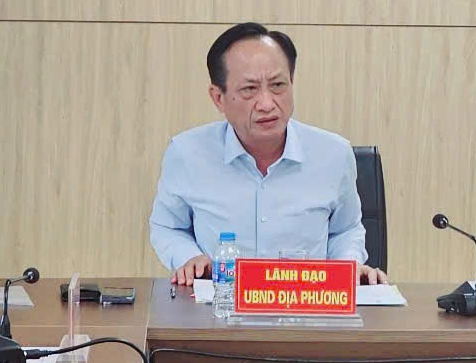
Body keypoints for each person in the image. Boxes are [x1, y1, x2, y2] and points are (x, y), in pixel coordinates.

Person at [150, 22, 387, 286]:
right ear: (218, 98)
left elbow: (346, 230)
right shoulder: (187, 153)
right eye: (249, 89)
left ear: (292, 83)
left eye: (277, 85)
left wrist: (348, 265)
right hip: (219, 303)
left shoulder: (334, 154)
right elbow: (168, 226)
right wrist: (190, 258)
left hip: (306, 303)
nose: (266, 104)